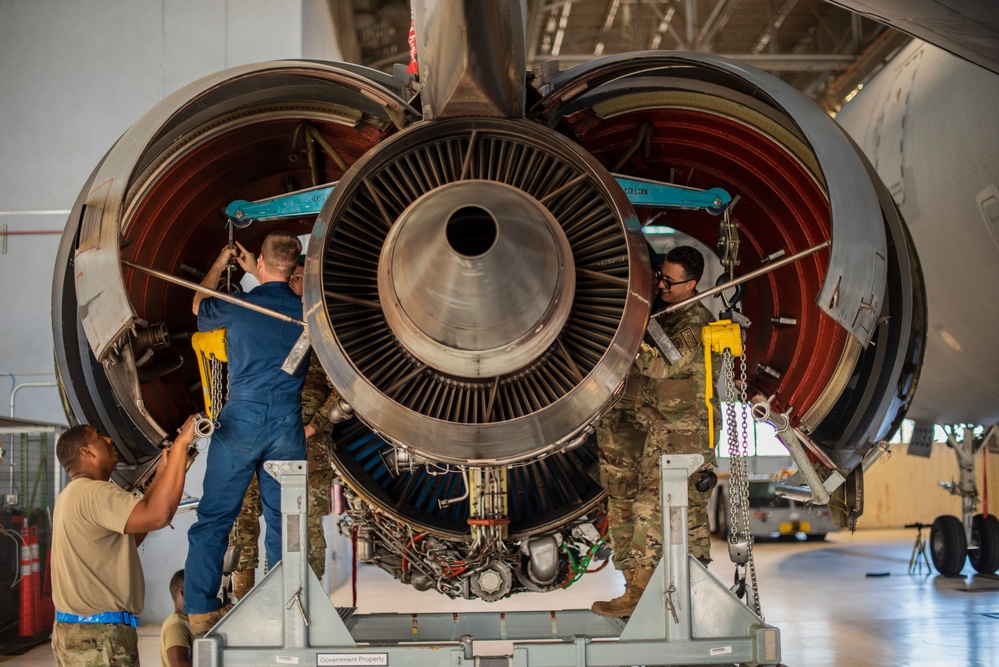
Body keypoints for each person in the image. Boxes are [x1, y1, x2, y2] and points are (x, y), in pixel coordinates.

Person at [185, 231, 308, 636]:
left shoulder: (238, 306)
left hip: (241, 419)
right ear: (295, 267)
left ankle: (202, 612)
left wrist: (223, 263)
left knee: (215, 518)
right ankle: (288, 610)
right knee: (285, 521)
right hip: (288, 422)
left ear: (259, 263)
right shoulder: (308, 312)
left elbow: (197, 305)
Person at [590, 245, 718, 618]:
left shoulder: (694, 323)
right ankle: (642, 589)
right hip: (657, 428)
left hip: (685, 433)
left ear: (691, 284)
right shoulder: (668, 311)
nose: (661, 284)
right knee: (631, 503)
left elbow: (661, 365)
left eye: (670, 281)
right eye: (660, 275)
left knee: (655, 508)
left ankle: (644, 592)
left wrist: (623, 335)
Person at [226, 257, 338, 598]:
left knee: (303, 528)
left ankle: (304, 603)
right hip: (258, 436)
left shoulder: (327, 330)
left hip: (306, 444)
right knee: (243, 519)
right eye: (291, 277)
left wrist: (313, 427)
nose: (294, 284)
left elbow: (347, 390)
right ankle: (244, 601)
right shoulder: (268, 318)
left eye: (302, 278)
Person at [51, 417, 196, 667]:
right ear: (86, 451)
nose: (108, 439)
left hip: (81, 634)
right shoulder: (96, 492)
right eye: (99, 436)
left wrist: (162, 475)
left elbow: (130, 536)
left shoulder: (72, 495)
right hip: (100, 639)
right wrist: (182, 444)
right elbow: (157, 516)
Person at [160, 570, 191, 667]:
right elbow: (179, 665)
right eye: (196, 590)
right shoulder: (176, 626)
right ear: (183, 593)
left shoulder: (186, 622)